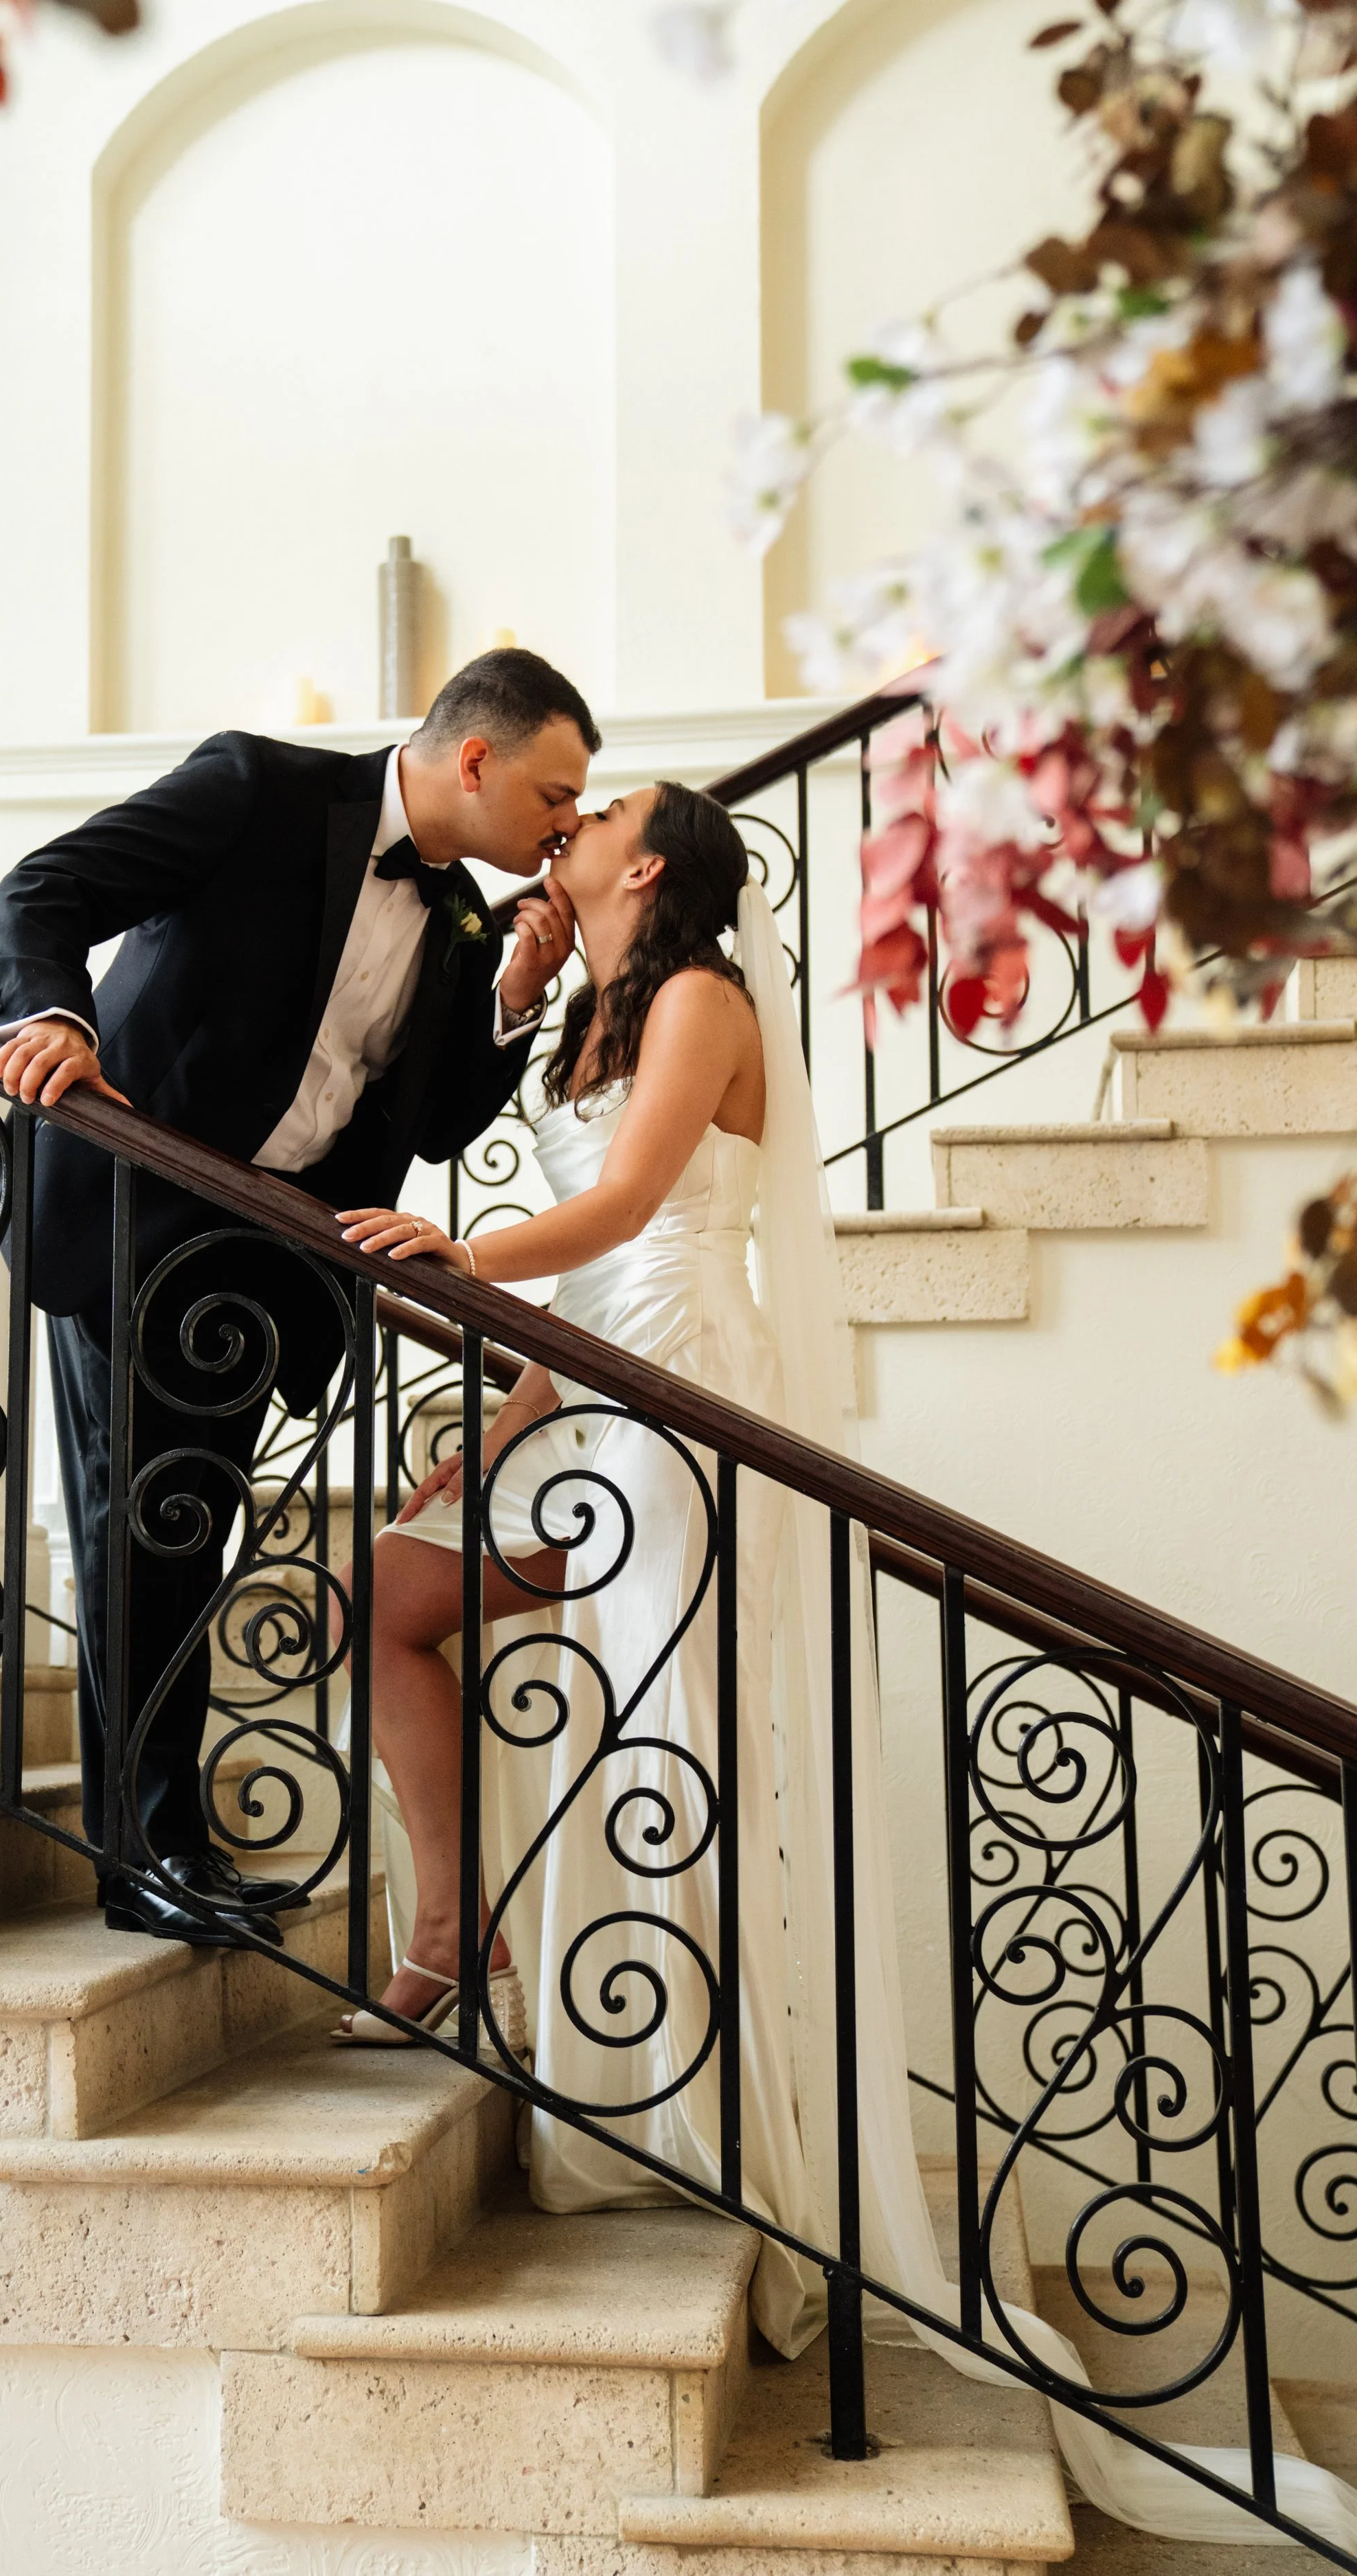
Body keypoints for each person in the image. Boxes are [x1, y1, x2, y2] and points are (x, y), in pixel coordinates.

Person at [334, 782, 1357, 2558]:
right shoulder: (587, 997)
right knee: (388, 1589)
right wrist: (495, 1412)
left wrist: (458, 1253)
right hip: (588, 1381)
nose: (564, 826)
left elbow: (641, 1198)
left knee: (670, 1728)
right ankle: (456, 1930)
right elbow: (584, 1254)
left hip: (681, 1389)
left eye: (599, 815)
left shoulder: (704, 997)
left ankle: (718, 2117)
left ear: (647, 863)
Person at [0, 648, 594, 1948]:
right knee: (135, 1525)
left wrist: (514, 1001)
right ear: (473, 759)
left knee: (185, 1533)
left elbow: (427, 1121)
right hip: (136, 1199)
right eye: (552, 793)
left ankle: (168, 1843)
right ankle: (148, 1855)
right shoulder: (255, 787)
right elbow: (43, 891)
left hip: (266, 1253)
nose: (565, 826)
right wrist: (56, 1022)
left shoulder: (470, 922)